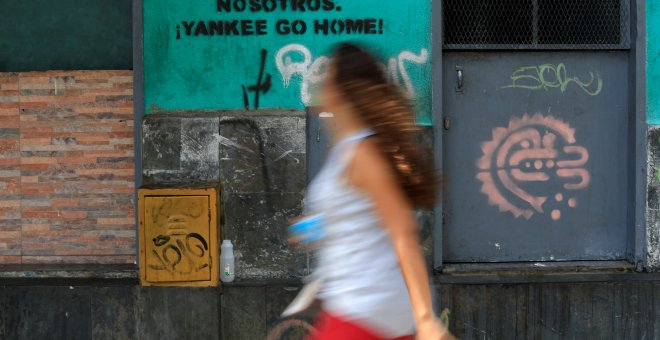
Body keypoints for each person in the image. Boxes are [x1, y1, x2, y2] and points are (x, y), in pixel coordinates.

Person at [293, 42, 454, 340]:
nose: (320, 84)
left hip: (363, 308)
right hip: (363, 307)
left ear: (341, 90)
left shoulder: (362, 153)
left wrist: (426, 319)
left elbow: (403, 232)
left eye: (327, 77)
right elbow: (354, 215)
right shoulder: (347, 149)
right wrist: (313, 227)